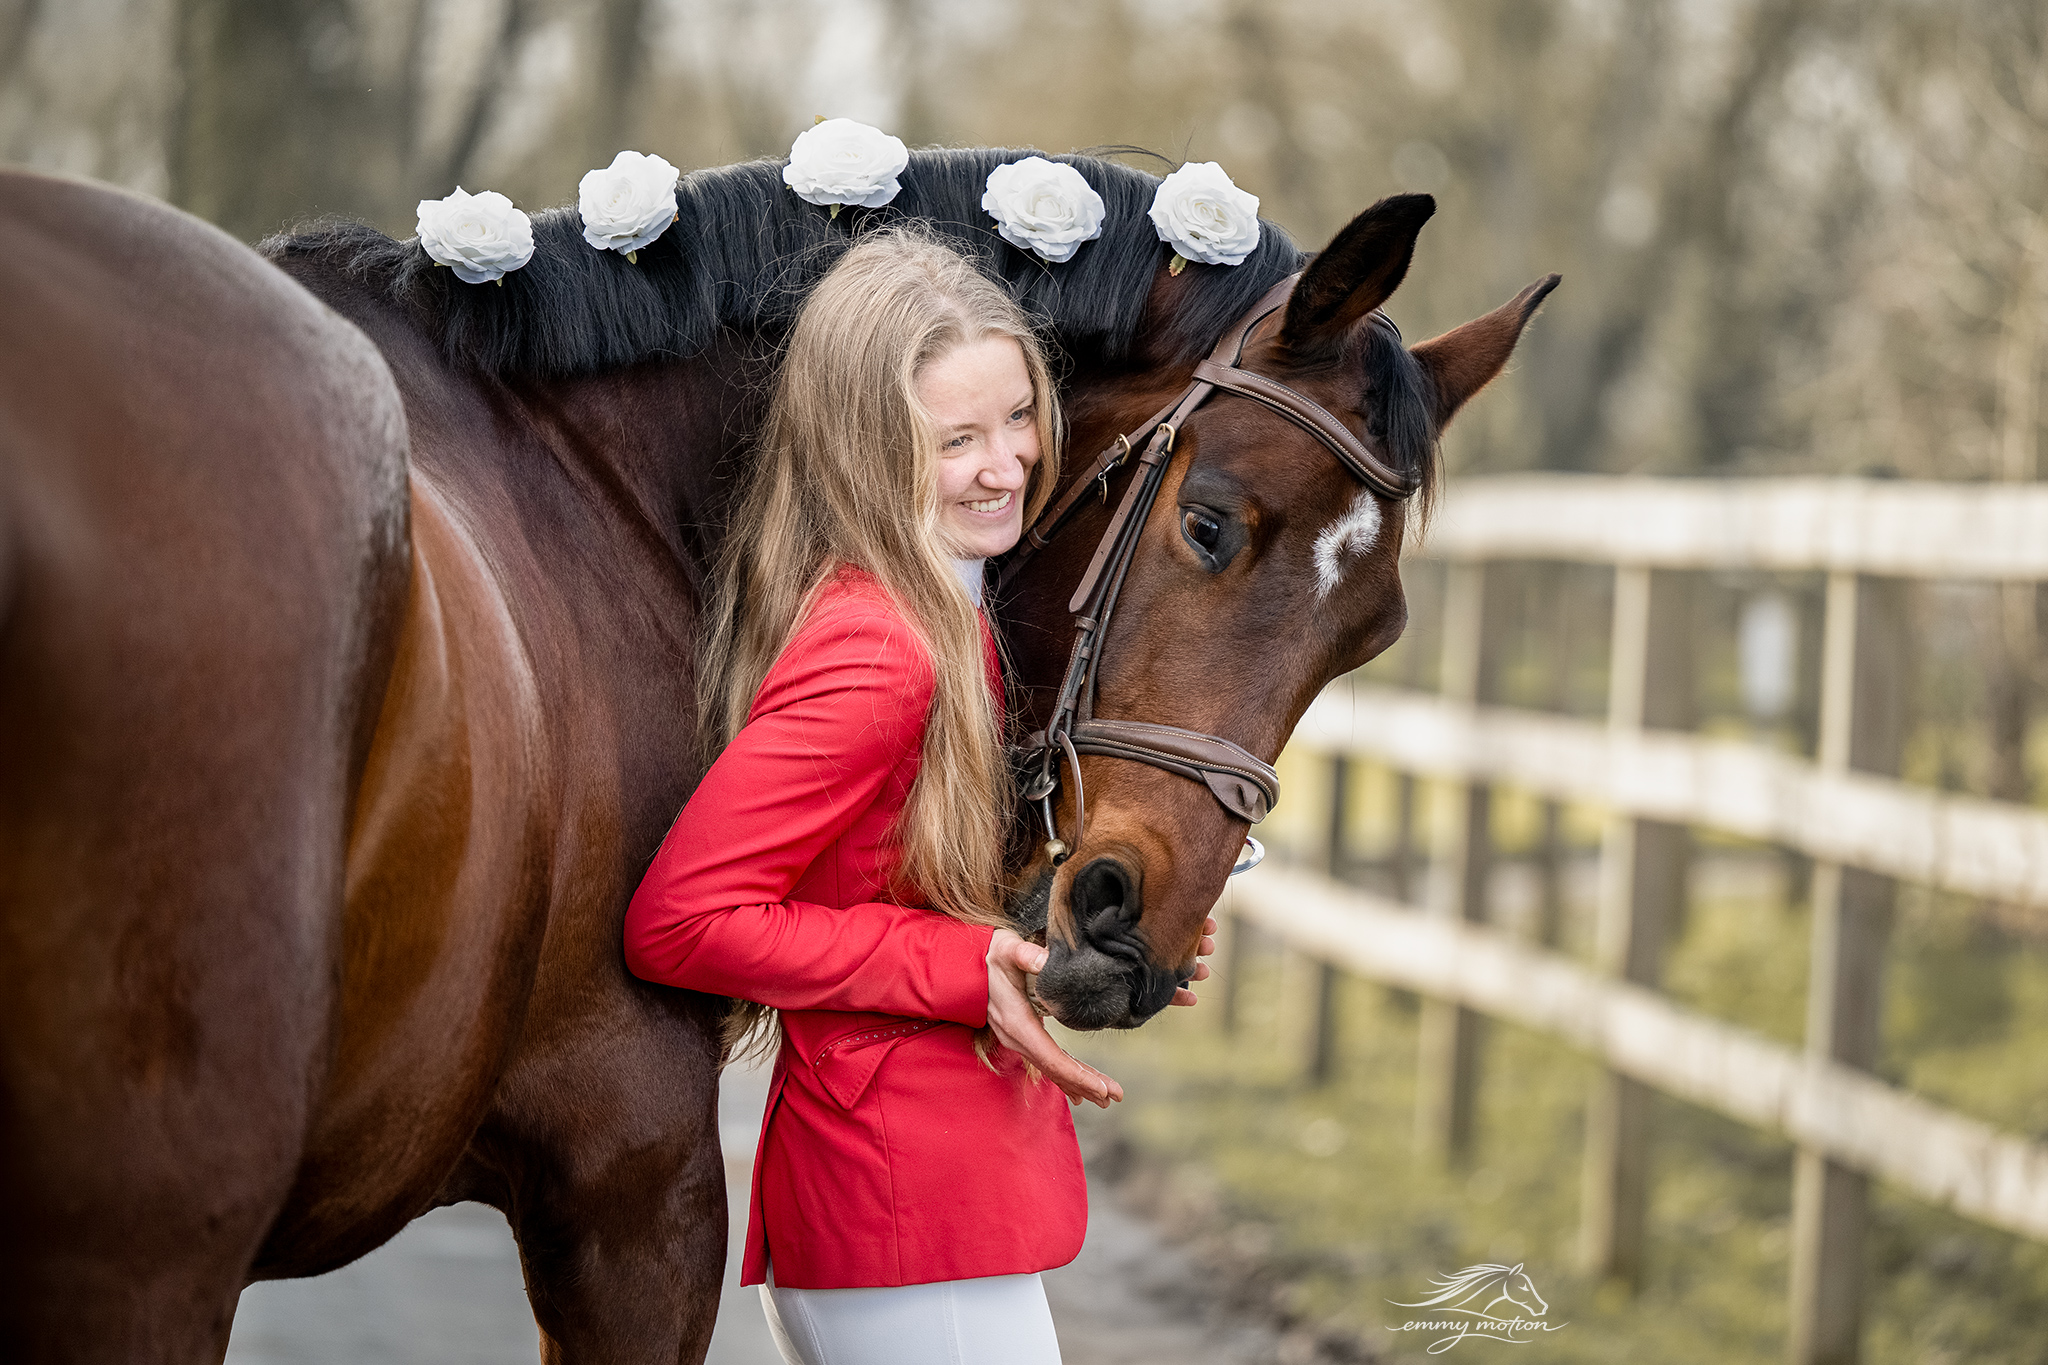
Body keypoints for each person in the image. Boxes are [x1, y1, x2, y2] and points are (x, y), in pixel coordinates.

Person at [622, 228, 1212, 1365]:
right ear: (866, 453)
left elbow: (892, 871)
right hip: (896, 1200)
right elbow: (682, 920)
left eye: (1018, 416)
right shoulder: (880, 649)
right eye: (956, 440)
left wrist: (1077, 931)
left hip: (930, 1197)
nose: (1008, 465)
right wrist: (962, 965)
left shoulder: (945, 609)